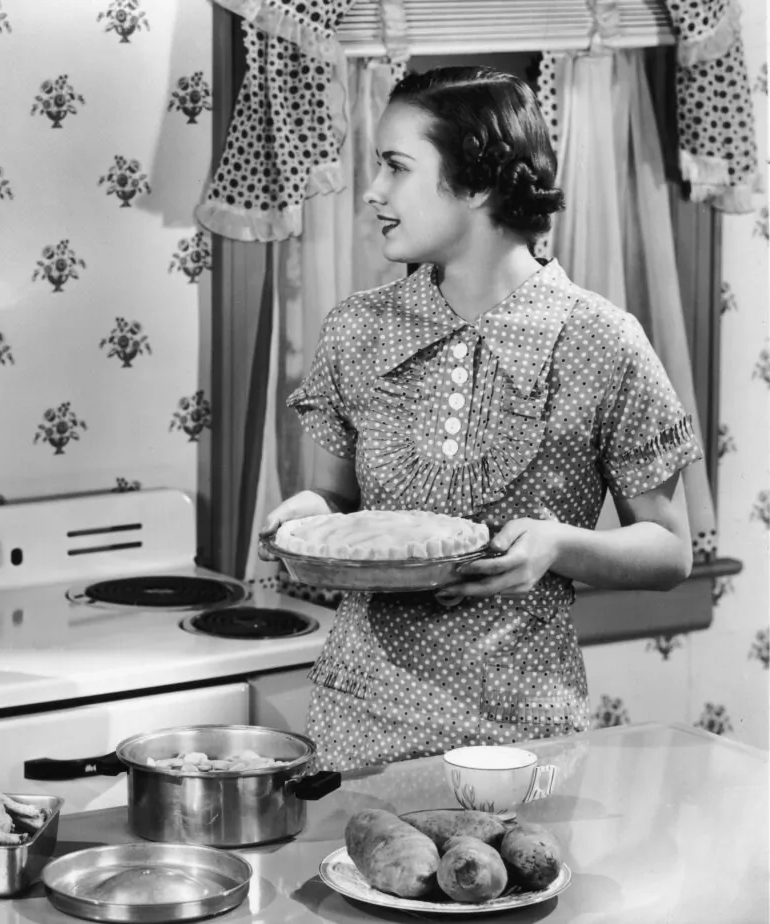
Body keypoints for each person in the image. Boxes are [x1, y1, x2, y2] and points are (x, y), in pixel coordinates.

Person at [261, 65, 701, 771]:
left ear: (475, 183)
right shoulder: (359, 331)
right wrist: (302, 519)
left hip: (523, 731)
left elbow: (670, 551)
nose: (374, 191)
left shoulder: (599, 339)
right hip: (361, 725)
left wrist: (559, 545)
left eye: (396, 167)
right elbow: (338, 499)